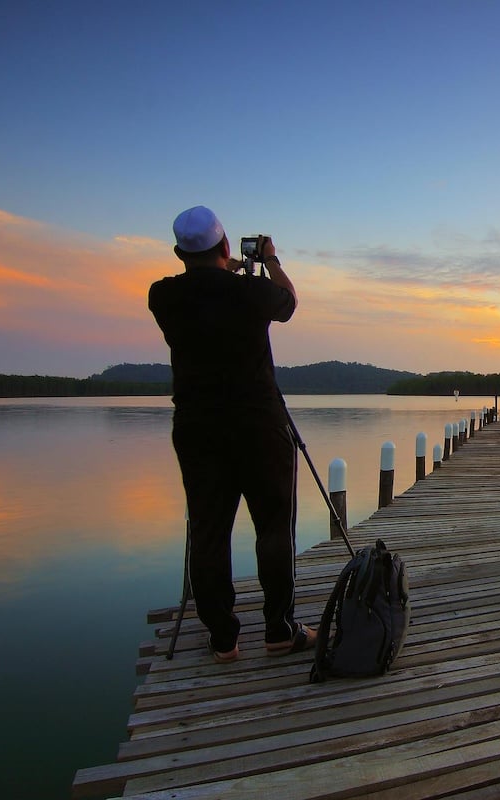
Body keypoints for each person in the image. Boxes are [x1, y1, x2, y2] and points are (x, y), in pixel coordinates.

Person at [148, 205, 316, 663]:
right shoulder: (252, 292)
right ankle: (280, 631)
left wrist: (229, 270)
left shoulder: (162, 295)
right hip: (259, 424)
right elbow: (288, 301)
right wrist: (270, 259)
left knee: (208, 530)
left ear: (180, 252)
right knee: (274, 527)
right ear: (226, 246)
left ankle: (223, 639)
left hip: (198, 428)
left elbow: (205, 289)